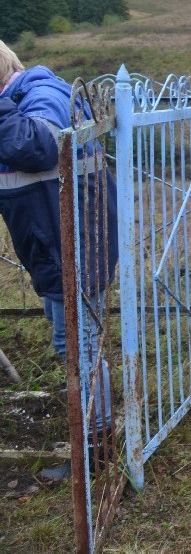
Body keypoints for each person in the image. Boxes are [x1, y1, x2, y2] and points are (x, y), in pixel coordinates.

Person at [0, 40, 118, 479]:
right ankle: (97, 441)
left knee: (78, 347)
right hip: (56, 245)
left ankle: (97, 453)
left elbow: (42, 148)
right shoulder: (18, 101)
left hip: (74, 243)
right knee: (73, 344)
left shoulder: (39, 95)